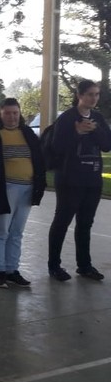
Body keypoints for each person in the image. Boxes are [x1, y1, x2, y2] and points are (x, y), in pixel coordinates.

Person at [0, 98, 46, 288]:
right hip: (3, 190)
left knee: (16, 232)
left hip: (27, 189)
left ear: (20, 113)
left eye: (15, 113)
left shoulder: (28, 133)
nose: (12, 117)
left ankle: (12, 270)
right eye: (7, 113)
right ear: (0, 114)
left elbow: (39, 158)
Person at [47, 80, 111, 281]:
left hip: (92, 179)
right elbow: (57, 147)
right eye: (90, 94)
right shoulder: (67, 118)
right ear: (79, 95)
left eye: (97, 94)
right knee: (62, 221)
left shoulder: (98, 118)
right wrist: (77, 132)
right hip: (69, 179)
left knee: (85, 223)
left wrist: (94, 130)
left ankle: (84, 266)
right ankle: (54, 266)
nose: (94, 98)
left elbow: (107, 145)